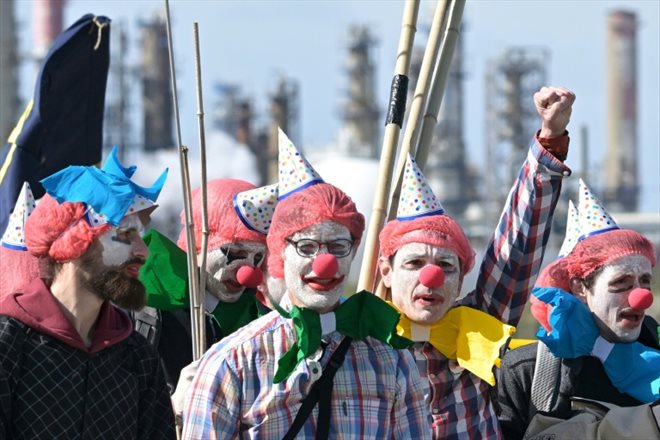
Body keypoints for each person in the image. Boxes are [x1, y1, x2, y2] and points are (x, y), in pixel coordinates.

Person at [182, 129, 431, 439]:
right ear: (279, 252)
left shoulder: (392, 360)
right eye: (307, 247)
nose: (323, 261)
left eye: (338, 246)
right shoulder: (231, 364)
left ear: (353, 252)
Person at [377, 85, 575, 439]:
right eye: (414, 263)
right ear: (386, 272)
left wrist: (549, 139)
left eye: (446, 267)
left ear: (460, 279)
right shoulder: (359, 344)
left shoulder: (477, 326)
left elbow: (516, 247)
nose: (432, 277)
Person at [0, 148, 176, 439]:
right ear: (74, 240)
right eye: (124, 234)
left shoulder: (137, 357)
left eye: (140, 236)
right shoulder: (8, 343)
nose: (143, 252)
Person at [497, 179, 659, 440]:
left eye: (645, 281)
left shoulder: (656, 347)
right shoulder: (528, 369)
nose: (640, 297)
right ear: (580, 289)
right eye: (621, 283)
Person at [134, 178, 275, 392]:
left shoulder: (262, 322)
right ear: (198, 244)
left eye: (257, 257)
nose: (248, 272)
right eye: (234, 252)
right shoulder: (142, 308)